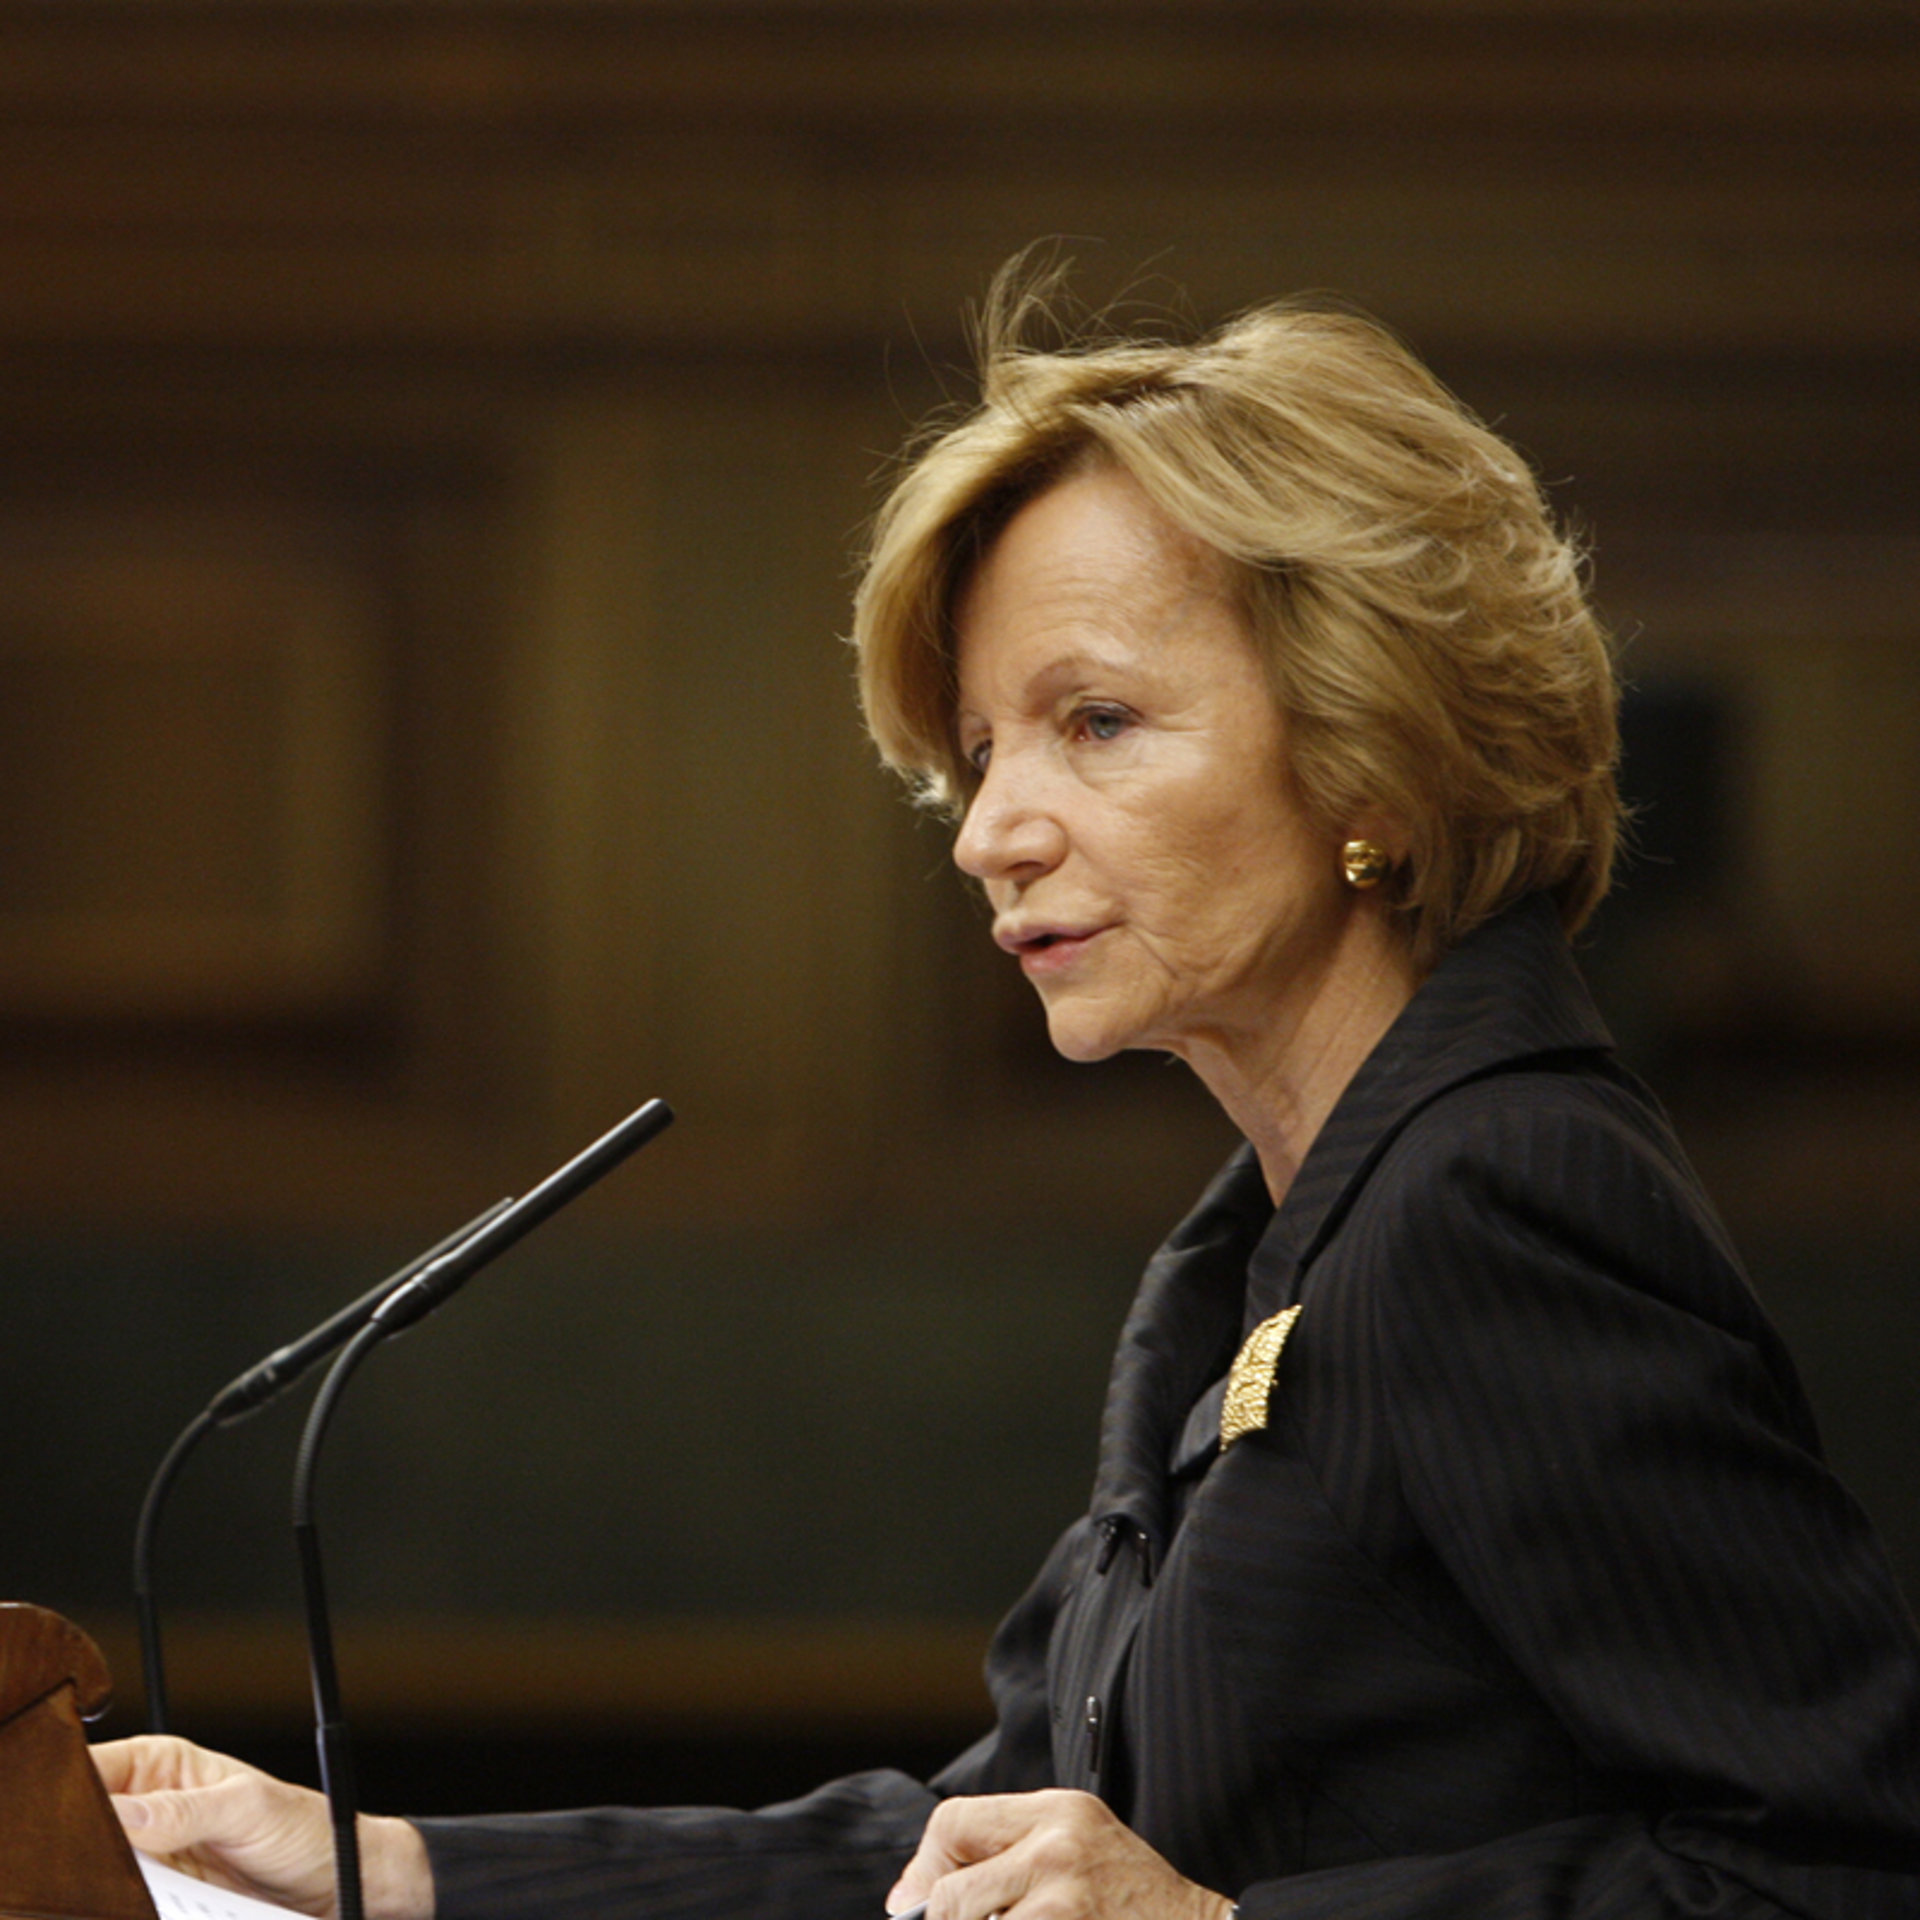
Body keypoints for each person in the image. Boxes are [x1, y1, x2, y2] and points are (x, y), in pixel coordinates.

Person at [95, 270, 1920, 1920]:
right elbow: (963, 1854)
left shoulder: (1498, 1196)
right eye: (978, 754)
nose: (988, 832)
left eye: (1094, 723)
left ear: (1375, 745)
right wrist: (391, 1869)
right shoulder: (1261, 1250)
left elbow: (1832, 1865)